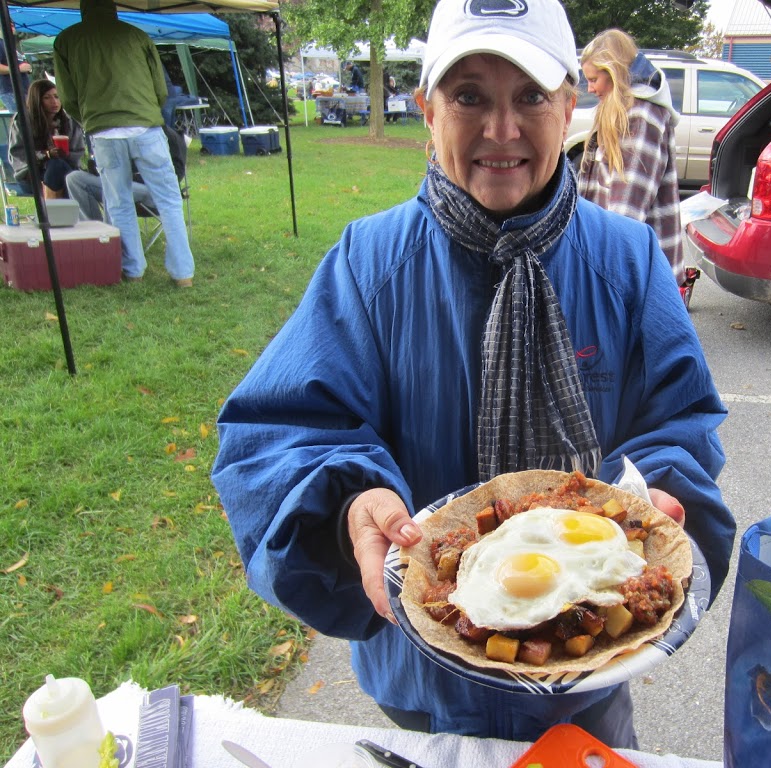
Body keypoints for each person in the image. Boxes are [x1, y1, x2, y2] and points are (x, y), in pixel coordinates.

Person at [212, 0, 733, 750]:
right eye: (468, 97)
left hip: (585, 689)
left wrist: (651, 493)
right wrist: (350, 499)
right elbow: (279, 431)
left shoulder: (627, 261)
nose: (501, 130)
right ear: (426, 111)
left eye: (529, 95)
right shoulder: (368, 264)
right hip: (422, 685)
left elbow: (681, 423)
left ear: (570, 103)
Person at [53, 0, 194, 288]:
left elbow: (67, 97)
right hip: (146, 127)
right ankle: (183, 275)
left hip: (103, 131)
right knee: (169, 200)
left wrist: (90, 119)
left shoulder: (66, 39)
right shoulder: (136, 35)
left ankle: (133, 271)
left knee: (118, 204)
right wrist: (148, 113)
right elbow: (159, 87)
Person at [577, 29, 684, 279]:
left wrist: (604, 276)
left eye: (594, 79)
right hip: (628, 265)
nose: (590, 89)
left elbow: (627, 212)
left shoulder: (639, 117)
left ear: (613, 71)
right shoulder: (621, 111)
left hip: (639, 272)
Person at [67, 125, 186, 223]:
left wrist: (133, 176)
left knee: (113, 187)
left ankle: (109, 239)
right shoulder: (119, 133)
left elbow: (177, 174)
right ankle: (94, 232)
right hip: (121, 183)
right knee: (74, 178)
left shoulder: (165, 134)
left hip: (152, 191)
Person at [8, 79, 86, 199]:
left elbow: (78, 152)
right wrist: (46, 155)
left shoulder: (68, 121)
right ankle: (54, 210)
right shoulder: (23, 121)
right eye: (47, 97)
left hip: (66, 168)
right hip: (32, 174)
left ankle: (52, 212)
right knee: (57, 168)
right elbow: (19, 155)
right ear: (37, 100)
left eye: (56, 96)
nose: (54, 102)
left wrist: (63, 154)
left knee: (61, 168)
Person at [0, 24, 31, 113]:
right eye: (10, 25)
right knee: (23, 121)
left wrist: (27, 68)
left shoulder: (10, 44)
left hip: (23, 90)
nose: (13, 28)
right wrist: (18, 69)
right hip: (11, 91)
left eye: (13, 26)